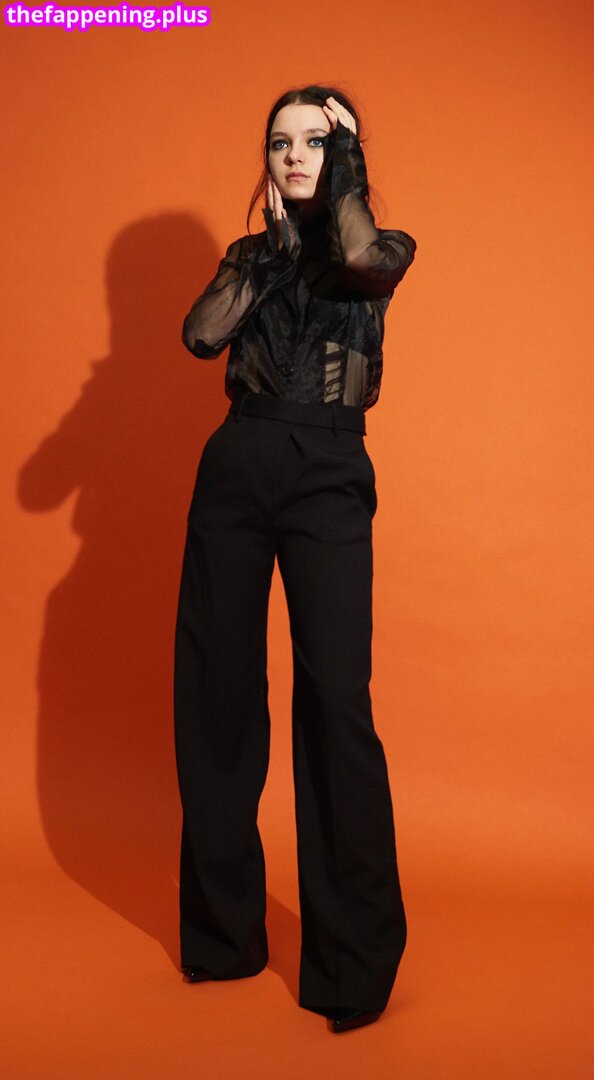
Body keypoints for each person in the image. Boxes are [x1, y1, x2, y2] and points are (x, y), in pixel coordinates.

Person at [174, 84, 417, 1034]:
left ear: (346, 155)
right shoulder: (253, 258)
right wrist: (270, 251)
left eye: (316, 140)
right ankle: (223, 938)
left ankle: (352, 965)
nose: (294, 155)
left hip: (328, 472)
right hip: (237, 466)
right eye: (281, 141)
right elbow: (201, 335)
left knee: (335, 701)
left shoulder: (380, 252)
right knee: (218, 696)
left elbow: (359, 256)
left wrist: (343, 178)